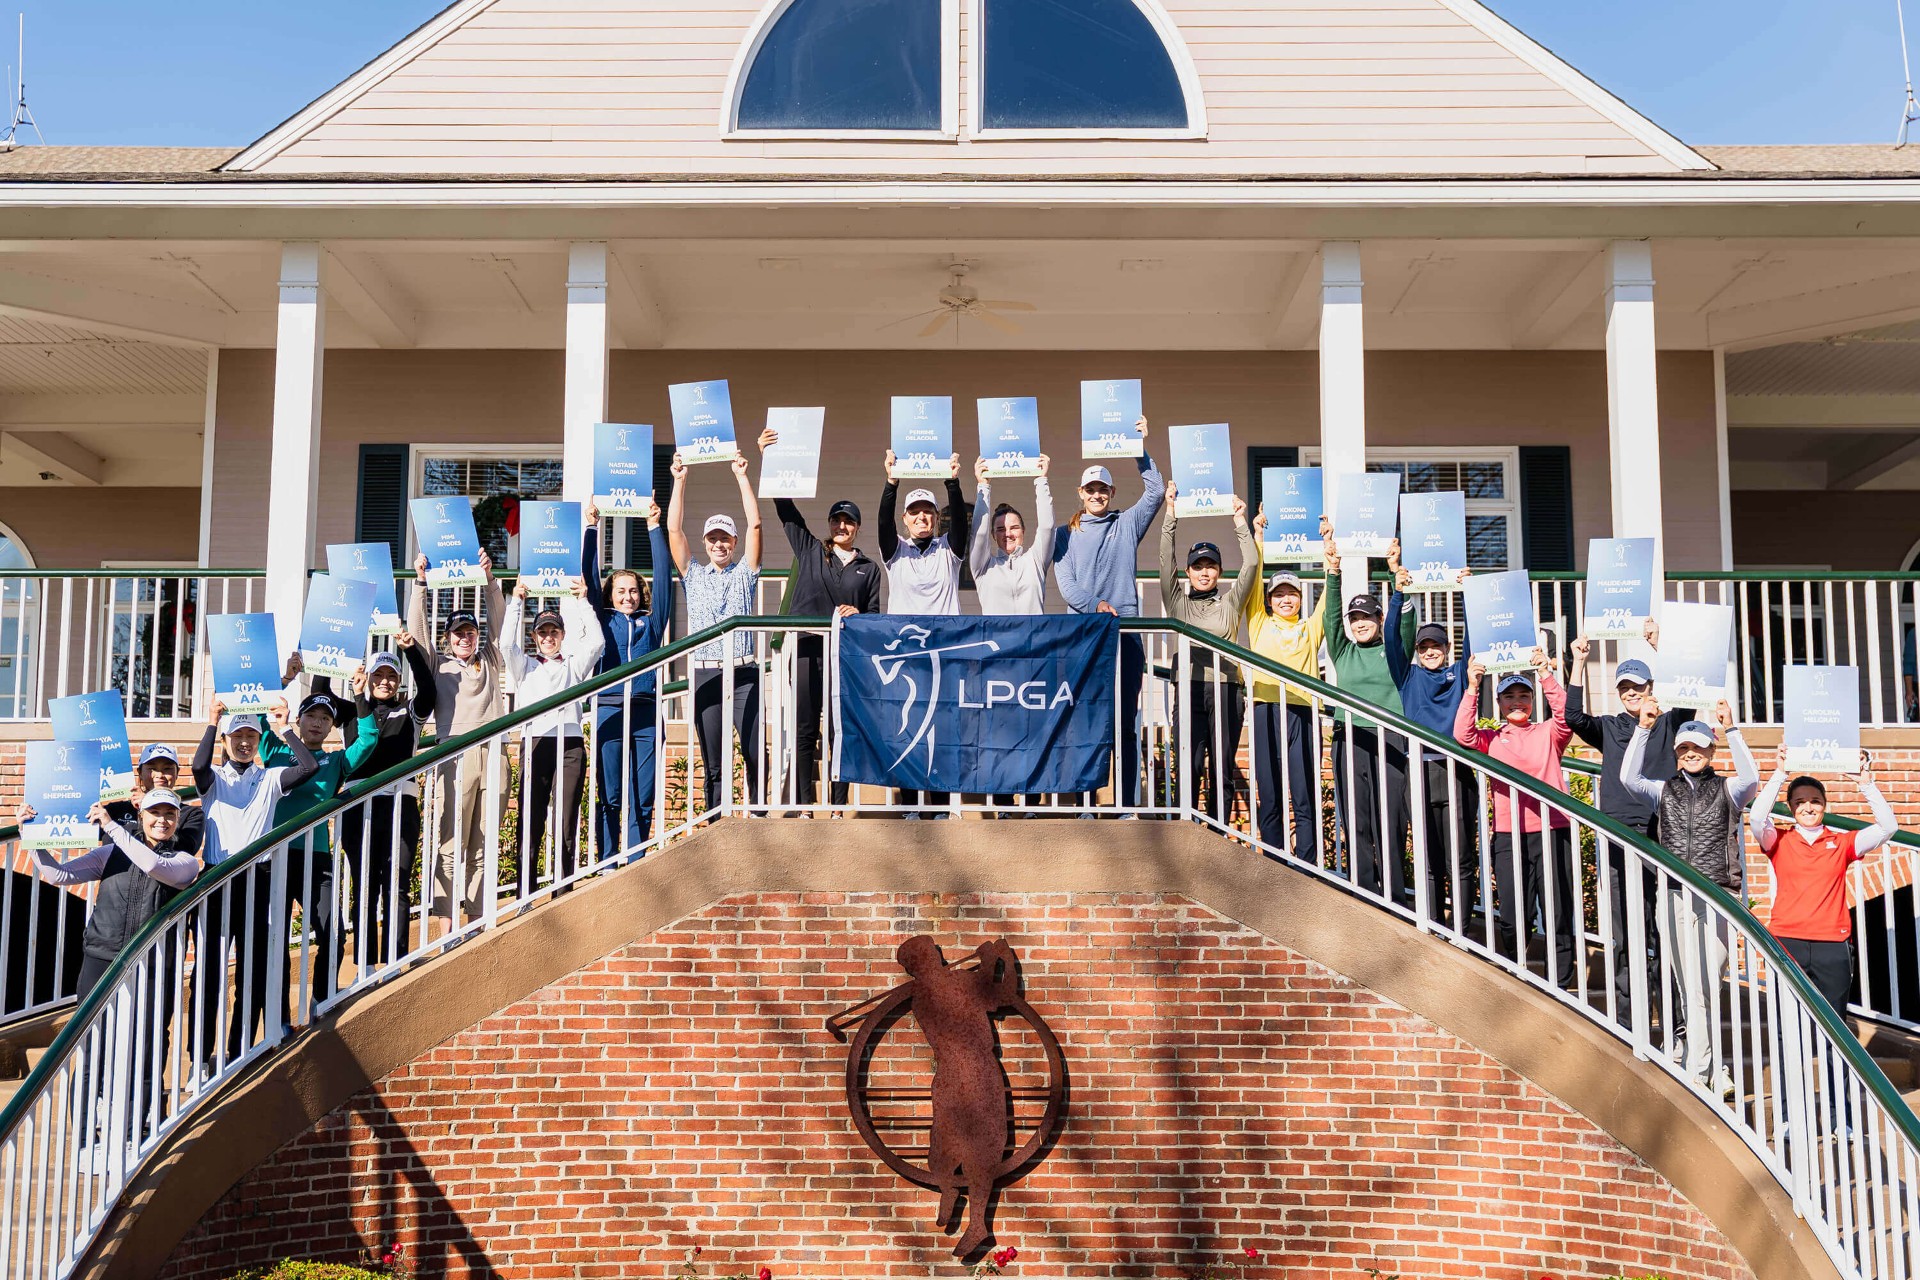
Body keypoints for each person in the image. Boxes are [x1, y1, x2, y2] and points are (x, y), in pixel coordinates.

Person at [20, 791, 200, 1155]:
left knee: (144, 1050)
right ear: (142, 814)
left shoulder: (185, 862)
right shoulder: (111, 852)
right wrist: (32, 835)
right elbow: (59, 873)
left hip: (150, 966)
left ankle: (134, 1134)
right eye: (154, 812)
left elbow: (153, 866)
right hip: (100, 960)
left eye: (169, 813)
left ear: (178, 820)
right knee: (90, 1050)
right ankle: (87, 1139)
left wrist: (111, 826)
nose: (161, 820)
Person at [1617, 701, 1758, 1097]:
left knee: (1707, 983)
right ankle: (1707, 1069)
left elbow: (1752, 777)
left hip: (1718, 899)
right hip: (1675, 896)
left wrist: (1732, 729)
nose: (1691, 753)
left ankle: (1707, 1067)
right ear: (1677, 753)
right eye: (1684, 748)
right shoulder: (1663, 791)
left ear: (1710, 751)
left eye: (1698, 747)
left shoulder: (1728, 789)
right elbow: (1629, 777)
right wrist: (1644, 729)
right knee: (1689, 987)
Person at [1565, 630, 1689, 1018]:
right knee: (1623, 930)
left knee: (1660, 929)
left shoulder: (1669, 724)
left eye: (1637, 686)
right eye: (1625, 688)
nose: (1631, 694)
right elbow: (1572, 717)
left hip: (1659, 834)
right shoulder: (1612, 727)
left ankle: (1670, 1017)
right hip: (1619, 836)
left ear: (1650, 687)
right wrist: (1579, 662)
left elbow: (1688, 694)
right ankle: (1626, 1015)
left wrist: (1660, 646)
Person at [189, 703, 319, 1072]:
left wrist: (285, 728)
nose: (245, 742)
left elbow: (308, 767)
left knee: (252, 968)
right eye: (237, 736)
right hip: (216, 880)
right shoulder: (213, 777)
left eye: (251, 736)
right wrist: (212, 722)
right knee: (208, 973)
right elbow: (197, 767)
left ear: (259, 741)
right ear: (226, 741)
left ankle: (239, 1047)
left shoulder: (269, 778)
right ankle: (199, 1056)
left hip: (258, 880)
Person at [249, 683, 378, 1023]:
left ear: (332, 726)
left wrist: (361, 695)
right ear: (299, 718)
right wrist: (282, 679)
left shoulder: (336, 760)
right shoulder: (275, 748)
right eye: (311, 716)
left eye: (325, 718)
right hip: (274, 857)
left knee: (332, 934)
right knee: (275, 942)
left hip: (315, 858)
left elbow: (367, 740)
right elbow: (256, 708)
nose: (317, 723)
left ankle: (321, 1001)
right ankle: (278, 1019)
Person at [1051, 417, 1161, 811]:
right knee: (1084, 721)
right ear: (1081, 492)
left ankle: (1127, 804)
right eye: (1090, 489)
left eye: (1103, 489)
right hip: (1083, 637)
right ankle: (1084, 803)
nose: (1097, 494)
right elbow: (1066, 584)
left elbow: (1155, 492)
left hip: (1123, 634)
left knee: (1126, 724)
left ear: (1111, 492)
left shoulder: (1126, 523)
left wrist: (1139, 447)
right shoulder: (1065, 534)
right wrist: (1094, 605)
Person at [1452, 650, 1579, 990]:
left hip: (1553, 830)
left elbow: (1568, 716)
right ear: (1500, 703)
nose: (1517, 702)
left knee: (1557, 911)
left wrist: (1545, 674)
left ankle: (1561, 984)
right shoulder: (1492, 738)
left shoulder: (1550, 732)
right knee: (1511, 913)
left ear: (1533, 701)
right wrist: (1473, 685)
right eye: (1509, 696)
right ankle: (1517, 972)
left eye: (1524, 695)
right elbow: (1463, 736)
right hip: (1509, 834)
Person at [767, 451, 883, 811]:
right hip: (805, 650)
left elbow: (876, 615)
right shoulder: (811, 550)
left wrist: (858, 613)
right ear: (830, 524)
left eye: (849, 522)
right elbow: (785, 509)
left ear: (857, 527)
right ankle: (804, 804)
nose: (842, 527)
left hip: (843, 656)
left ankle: (836, 805)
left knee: (839, 732)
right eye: (837, 520)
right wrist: (770, 458)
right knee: (804, 729)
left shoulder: (870, 568)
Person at [1749, 751, 1898, 1019]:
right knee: (1787, 1020)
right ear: (1791, 806)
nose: (1808, 807)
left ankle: (1832, 1064)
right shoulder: (1778, 841)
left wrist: (1865, 783)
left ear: (1825, 805)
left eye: (1815, 801)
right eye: (1801, 801)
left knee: (1833, 1025)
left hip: (1832, 943)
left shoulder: (1842, 843)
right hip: (1786, 940)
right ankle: (1792, 1064)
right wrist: (1780, 773)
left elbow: (1888, 827)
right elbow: (1758, 818)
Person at [409, 550, 508, 925]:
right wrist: (420, 584)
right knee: (452, 842)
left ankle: (479, 917)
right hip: (455, 754)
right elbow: (417, 639)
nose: (465, 638)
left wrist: (489, 580)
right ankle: (447, 918)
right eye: (457, 633)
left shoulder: (491, 657)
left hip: (494, 751)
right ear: (447, 638)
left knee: (485, 842)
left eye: (470, 632)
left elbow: (503, 626)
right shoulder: (439, 665)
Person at [1382, 542, 1476, 929]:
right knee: (1429, 856)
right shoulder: (1408, 677)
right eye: (1424, 646)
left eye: (1436, 645)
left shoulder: (1460, 676)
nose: (1430, 651)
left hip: (1455, 771)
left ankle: (1463, 929)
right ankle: (1435, 924)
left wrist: (1468, 595)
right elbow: (1391, 640)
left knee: (1461, 858)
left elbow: (1475, 644)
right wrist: (1397, 592)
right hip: (1417, 772)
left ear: (1446, 649)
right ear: (1418, 650)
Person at [669, 452, 764, 815]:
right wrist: (679, 480)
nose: (719, 544)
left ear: (734, 543)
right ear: (706, 542)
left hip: (743, 672)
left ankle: (757, 815)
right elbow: (674, 531)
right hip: (706, 671)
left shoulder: (745, 573)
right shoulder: (693, 575)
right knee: (714, 759)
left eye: (725, 539)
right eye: (713, 539)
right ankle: (717, 821)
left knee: (755, 753)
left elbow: (756, 526)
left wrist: (741, 476)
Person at [1321, 532, 1416, 894]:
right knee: (1357, 817)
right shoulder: (1343, 651)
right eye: (1355, 618)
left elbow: (1405, 627)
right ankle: (1363, 889)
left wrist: (1397, 579)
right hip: (1349, 736)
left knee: (1389, 818)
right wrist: (1333, 572)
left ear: (1379, 618)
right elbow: (1331, 619)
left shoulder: (1392, 652)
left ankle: (1393, 890)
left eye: (1367, 617)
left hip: (1389, 737)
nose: (1360, 623)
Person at [879, 448, 970, 816]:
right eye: (915, 512)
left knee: (944, 735)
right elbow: (882, 521)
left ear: (936, 519)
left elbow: (962, 525)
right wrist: (891, 483)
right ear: (906, 519)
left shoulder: (950, 550)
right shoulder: (894, 552)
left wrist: (952, 481)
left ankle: (942, 807)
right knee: (908, 733)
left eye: (928, 513)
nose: (921, 517)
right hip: (907, 661)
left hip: (946, 658)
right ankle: (911, 806)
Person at [1158, 490, 1257, 824]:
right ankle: (1186, 832)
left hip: (1226, 688)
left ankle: (1216, 836)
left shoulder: (1229, 603)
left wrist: (1239, 520)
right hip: (1188, 689)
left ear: (1219, 572)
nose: (1204, 572)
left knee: (1222, 766)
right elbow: (1163, 563)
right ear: (1188, 572)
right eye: (1198, 566)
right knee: (1190, 763)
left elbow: (1253, 564)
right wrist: (1171, 513)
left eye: (1210, 566)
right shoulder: (1178, 604)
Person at [337, 643, 437, 971]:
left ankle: (395, 962)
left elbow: (429, 687)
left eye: (391, 676)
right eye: (378, 674)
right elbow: (321, 689)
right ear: (367, 677)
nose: (384, 681)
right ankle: (365, 967)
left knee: (398, 883)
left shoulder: (409, 710)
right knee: (364, 885)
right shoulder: (352, 710)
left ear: (398, 681)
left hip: (400, 803)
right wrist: (338, 642)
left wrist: (409, 650)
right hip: (357, 806)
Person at [503, 577, 605, 896]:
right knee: (530, 819)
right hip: (536, 743)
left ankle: (562, 891)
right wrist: (517, 601)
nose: (548, 637)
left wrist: (583, 601)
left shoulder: (574, 667)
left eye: (554, 632)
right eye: (543, 632)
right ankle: (526, 896)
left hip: (571, 744)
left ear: (562, 636)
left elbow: (598, 643)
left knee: (565, 821)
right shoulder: (526, 667)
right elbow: (506, 644)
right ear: (535, 637)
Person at [583, 497, 674, 858]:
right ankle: (607, 861)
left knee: (643, 792)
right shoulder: (602, 620)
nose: (628, 596)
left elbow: (665, 578)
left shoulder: (652, 622)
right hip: (609, 708)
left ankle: (635, 859)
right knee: (611, 792)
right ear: (610, 595)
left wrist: (654, 527)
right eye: (620, 591)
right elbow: (589, 579)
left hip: (646, 711)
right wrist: (592, 529)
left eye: (633, 590)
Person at [971, 455, 1056, 811]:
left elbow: (1049, 528)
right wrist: (983, 487)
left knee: (1034, 729)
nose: (1009, 533)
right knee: (1001, 731)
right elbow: (975, 533)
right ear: (993, 534)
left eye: (1015, 527)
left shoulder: (1035, 561)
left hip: (1033, 659)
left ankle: (1033, 798)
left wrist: (1041, 481)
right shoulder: (982, 567)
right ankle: (1004, 799)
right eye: (1002, 529)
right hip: (998, 662)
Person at [1242, 514, 1325, 857]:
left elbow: (1330, 601)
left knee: (1304, 791)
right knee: (1270, 789)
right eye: (1279, 594)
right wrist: (1257, 537)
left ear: (1301, 599)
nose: (1286, 599)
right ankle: (1273, 860)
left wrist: (1331, 558)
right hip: (1265, 707)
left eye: (1292, 593)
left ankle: (1306, 864)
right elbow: (1253, 579)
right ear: (1270, 599)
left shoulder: (1309, 628)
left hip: (1302, 711)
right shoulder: (1259, 622)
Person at [104, 742, 205, 857]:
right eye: (152, 769)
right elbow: (84, 831)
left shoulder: (192, 814)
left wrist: (147, 803)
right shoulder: (116, 811)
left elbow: (185, 850)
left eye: (167, 769)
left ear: (177, 773)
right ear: (140, 773)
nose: (160, 775)